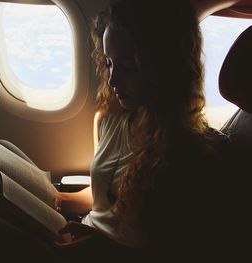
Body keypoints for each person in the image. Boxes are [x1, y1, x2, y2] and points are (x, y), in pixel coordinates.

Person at [53, 0, 231, 261]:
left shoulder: (187, 152)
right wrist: (53, 199)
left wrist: (104, 248)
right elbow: (105, 199)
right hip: (82, 235)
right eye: (110, 63)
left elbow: (176, 251)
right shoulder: (108, 119)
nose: (113, 80)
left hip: (103, 253)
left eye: (128, 66)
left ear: (162, 66)